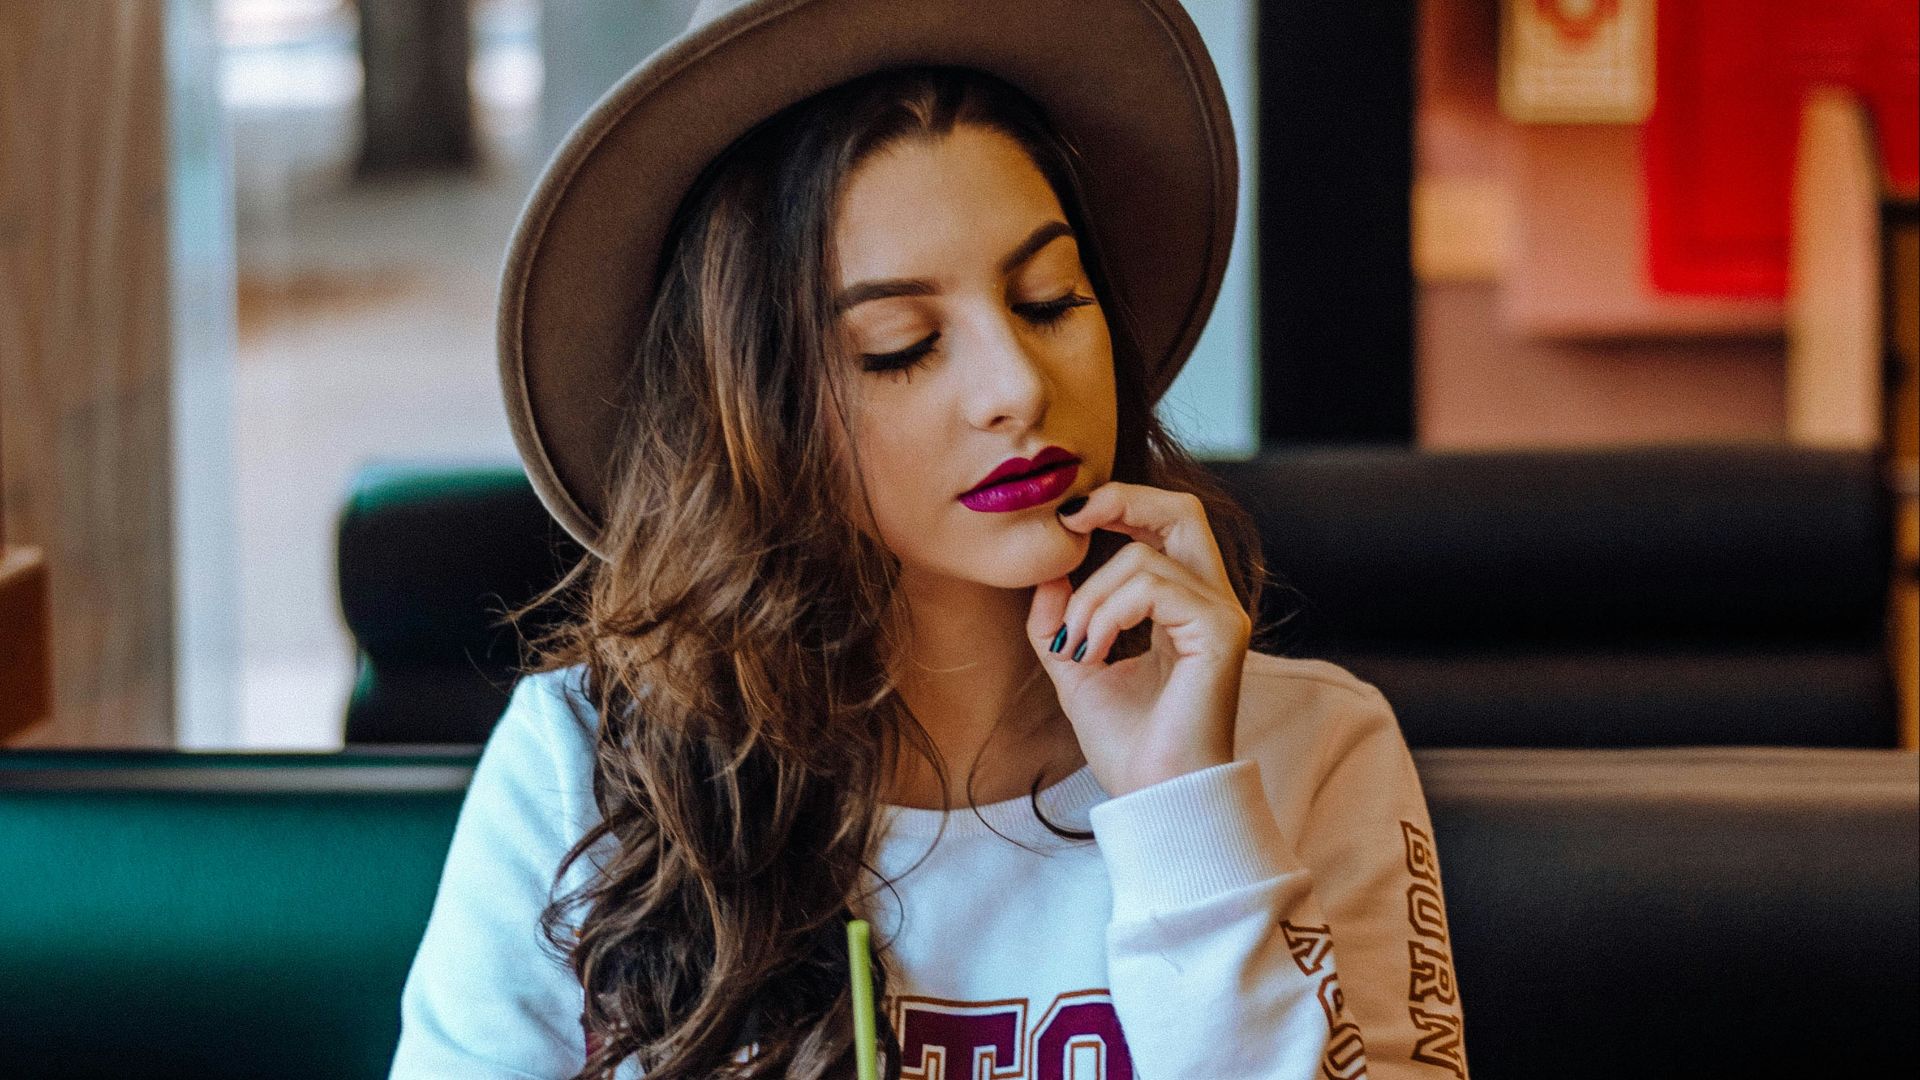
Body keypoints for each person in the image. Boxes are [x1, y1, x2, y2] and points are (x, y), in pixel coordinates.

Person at [391, 2, 1469, 1078]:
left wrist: (1181, 811)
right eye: (901, 348)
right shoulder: (584, 766)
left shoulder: (1316, 747)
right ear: (754, 416)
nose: (1015, 387)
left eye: (1049, 301)